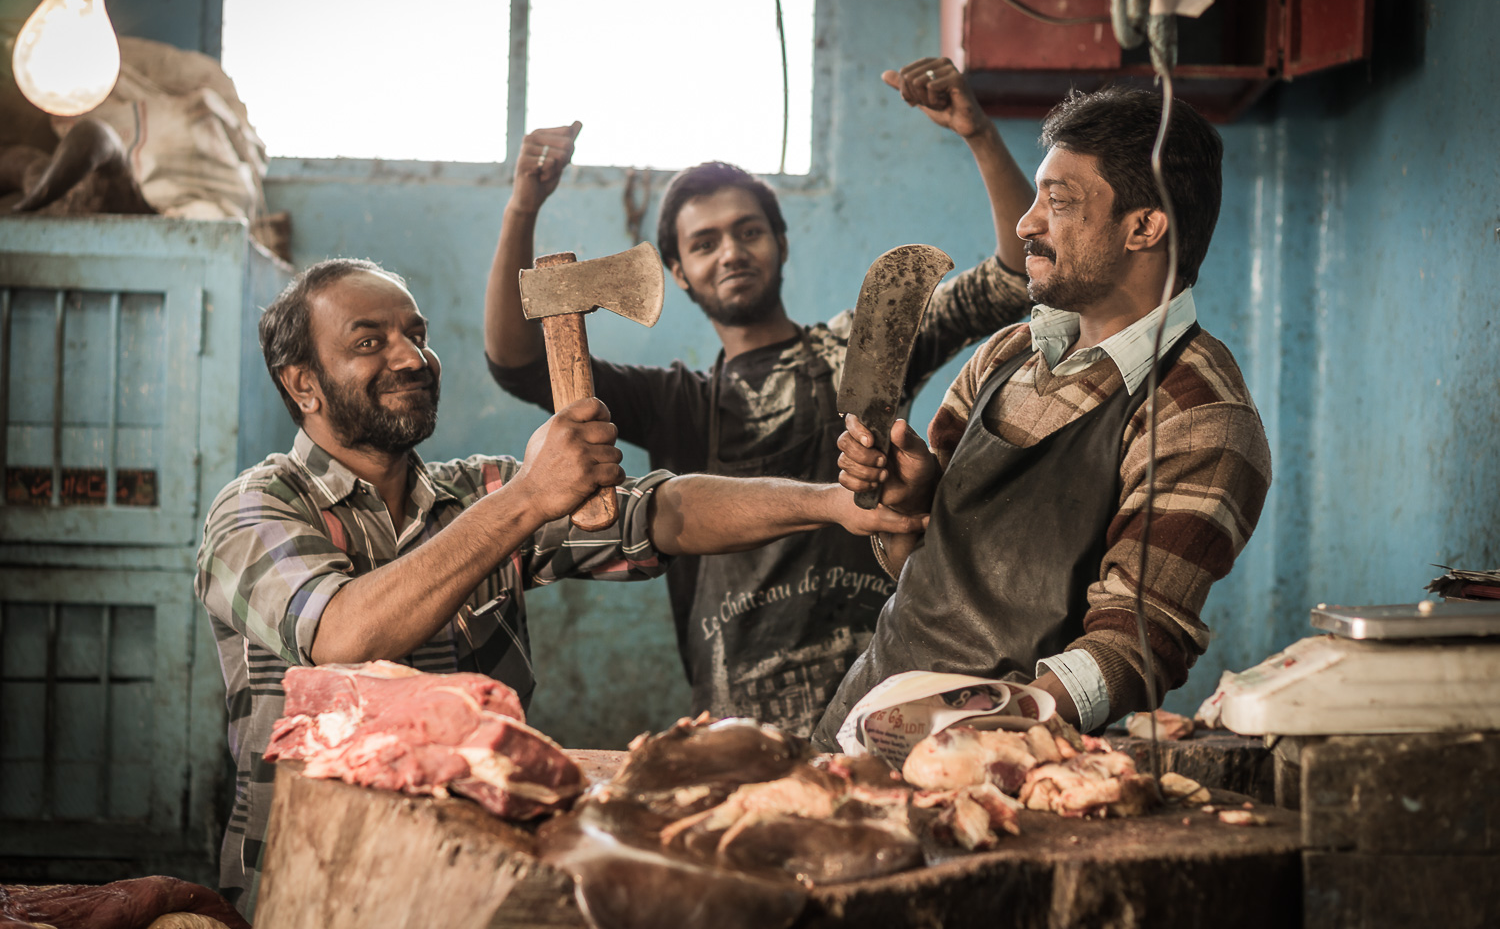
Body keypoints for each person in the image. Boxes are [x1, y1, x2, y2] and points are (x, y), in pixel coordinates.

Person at [194, 259, 922, 916]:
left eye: (416, 334)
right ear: (302, 383)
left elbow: (666, 512)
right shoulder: (257, 507)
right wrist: (527, 498)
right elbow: (344, 635)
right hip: (316, 881)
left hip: (471, 884)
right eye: (368, 342)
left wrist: (832, 504)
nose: (411, 357)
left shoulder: (471, 493)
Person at [485, 57, 1037, 736]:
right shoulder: (676, 403)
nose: (731, 253)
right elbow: (515, 363)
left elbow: (1015, 277)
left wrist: (979, 133)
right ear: (679, 274)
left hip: (887, 700)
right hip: (739, 723)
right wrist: (523, 206)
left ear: (779, 242)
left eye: (748, 231)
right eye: (704, 243)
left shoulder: (864, 345)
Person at [814, 86, 1273, 750]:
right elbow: (914, 569)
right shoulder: (1008, 353)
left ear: (1143, 227)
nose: (1027, 223)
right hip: (861, 717)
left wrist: (968, 729)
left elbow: (1136, 645)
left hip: (997, 758)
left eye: (1057, 203)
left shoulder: (1198, 413)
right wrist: (908, 504)